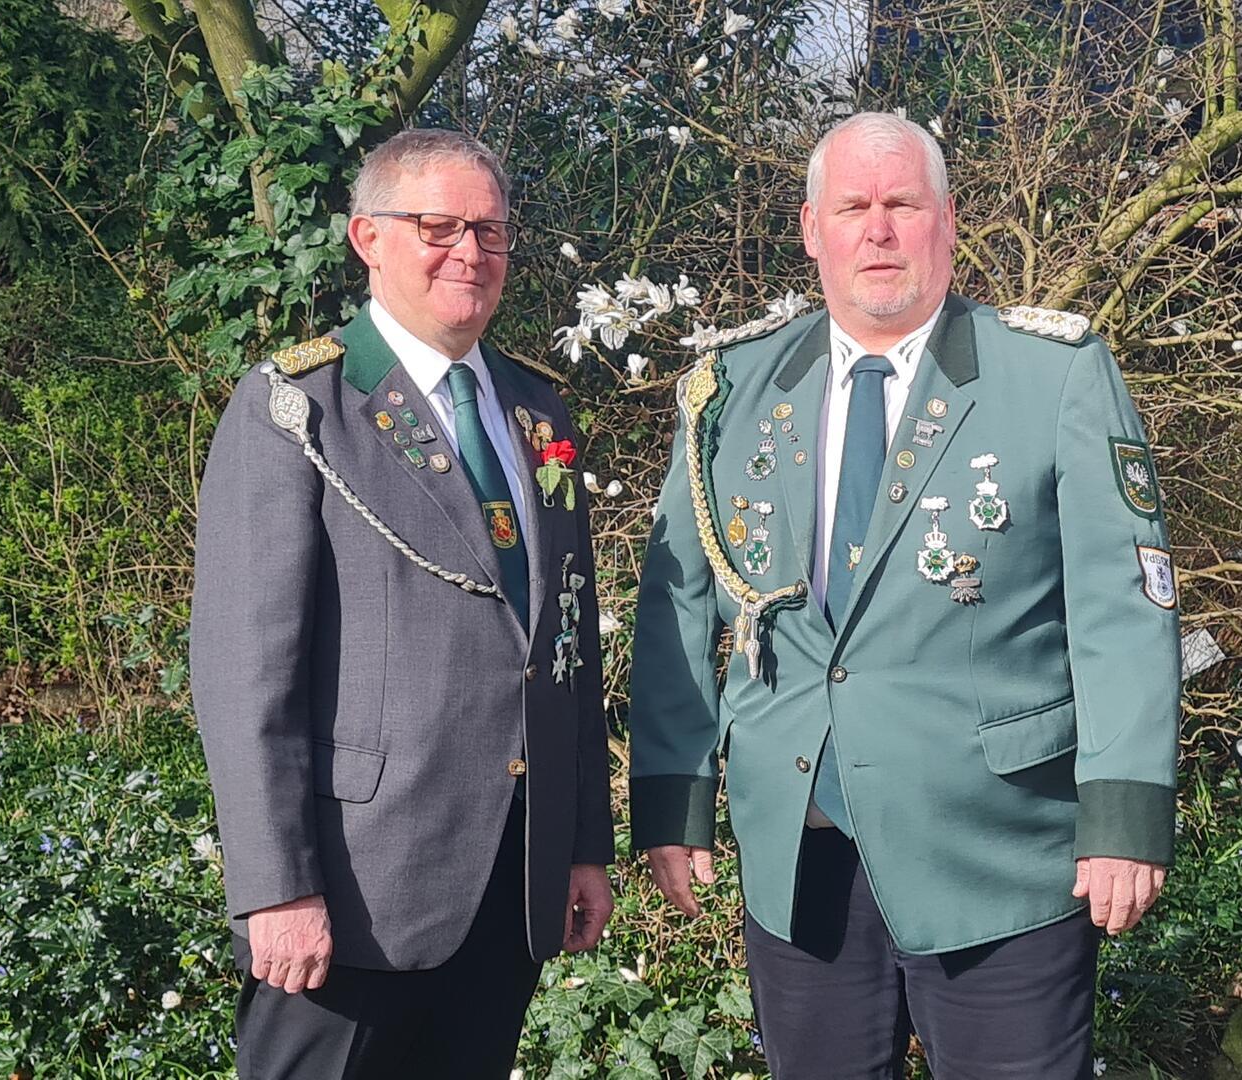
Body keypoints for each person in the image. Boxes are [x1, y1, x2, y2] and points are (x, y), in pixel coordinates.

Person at [628, 111, 1181, 1078]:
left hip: (998, 855)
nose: (878, 231)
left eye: (902, 205)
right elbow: (677, 599)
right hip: (802, 859)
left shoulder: (1051, 375)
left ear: (948, 221)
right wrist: (675, 800)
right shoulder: (733, 392)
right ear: (811, 230)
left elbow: (1123, 611)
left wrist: (1124, 815)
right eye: (853, 207)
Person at [190, 127, 614, 1079]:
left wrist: (582, 841)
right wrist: (275, 888)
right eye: (437, 226)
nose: (469, 251)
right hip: (351, 897)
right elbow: (242, 676)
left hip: (510, 886)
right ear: (366, 238)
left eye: (490, 231)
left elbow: (564, 645)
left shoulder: (539, 415)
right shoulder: (297, 409)